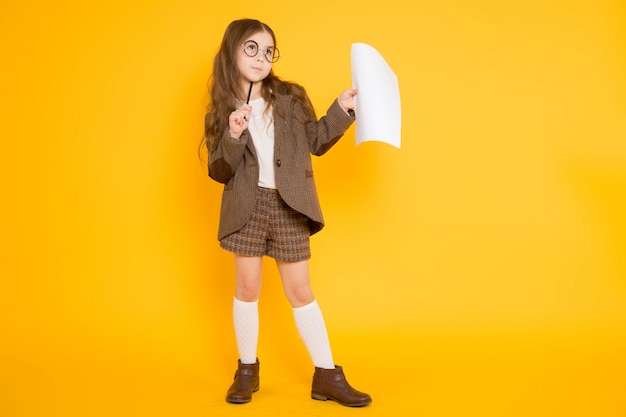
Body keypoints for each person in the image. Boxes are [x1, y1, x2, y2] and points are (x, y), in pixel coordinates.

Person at [202, 18, 372, 407]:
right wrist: (232, 133)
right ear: (232, 50)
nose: (261, 58)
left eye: (267, 51)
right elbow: (219, 170)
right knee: (247, 289)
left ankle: (327, 375)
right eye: (251, 48)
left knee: (300, 291)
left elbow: (315, 140)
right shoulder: (222, 108)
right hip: (246, 205)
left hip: (289, 204)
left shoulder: (291, 97)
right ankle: (247, 371)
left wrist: (343, 109)